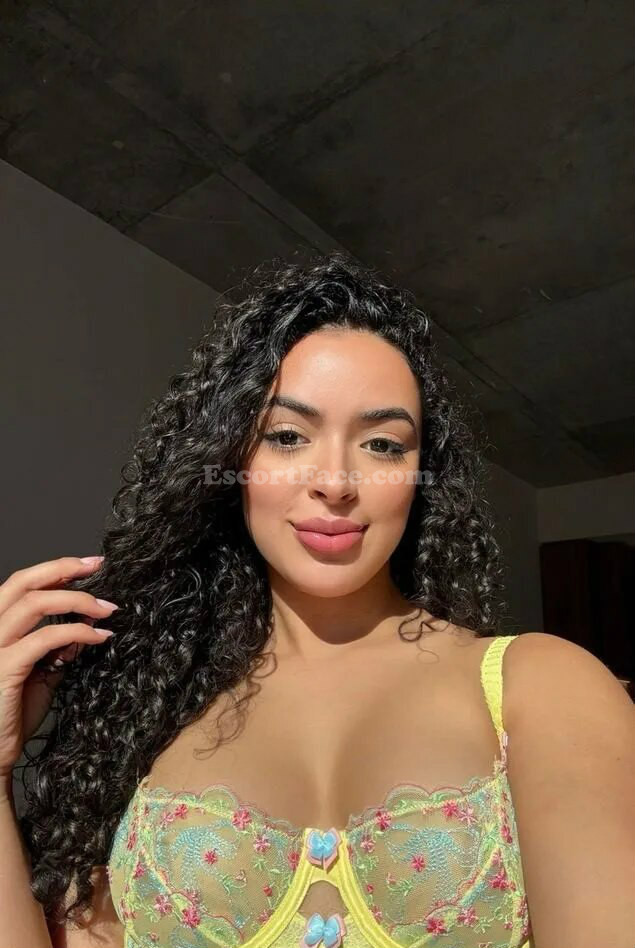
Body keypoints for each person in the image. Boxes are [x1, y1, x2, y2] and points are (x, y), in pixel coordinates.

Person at [1, 253, 633, 948]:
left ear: (421, 477)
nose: (335, 482)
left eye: (383, 445)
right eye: (287, 436)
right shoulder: (139, 712)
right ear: (232, 460)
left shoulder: (537, 686)